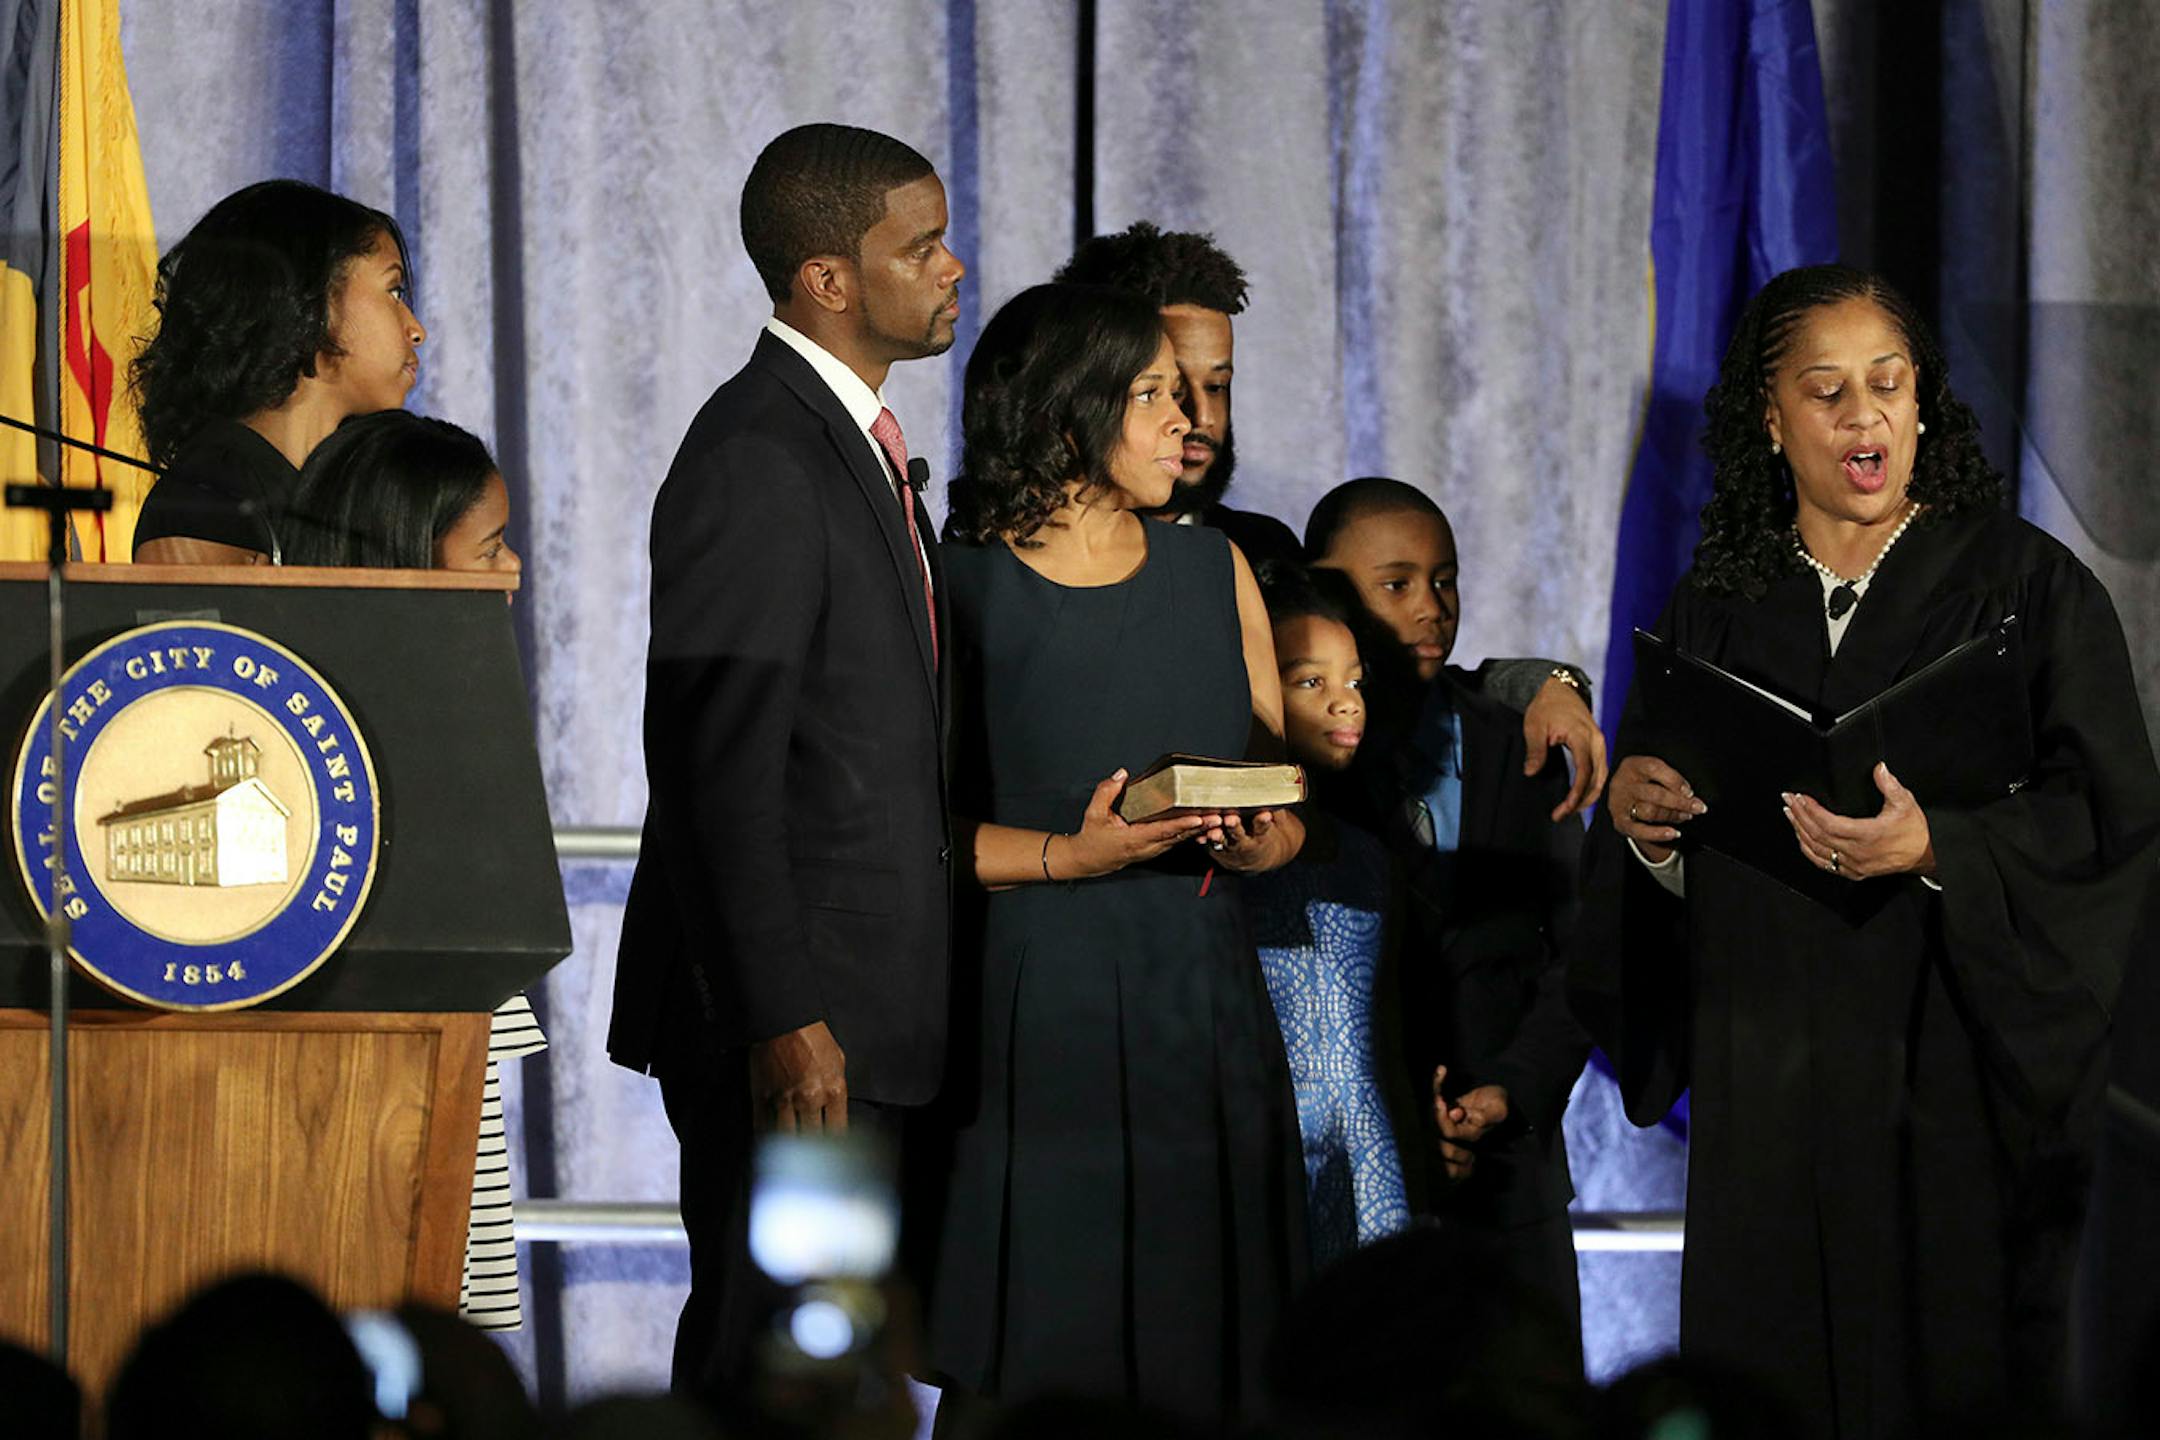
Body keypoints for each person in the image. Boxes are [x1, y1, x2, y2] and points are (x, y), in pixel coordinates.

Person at [1572, 265, 2160, 1437]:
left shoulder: (2025, 593)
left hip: (1945, 1073)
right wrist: (1644, 838)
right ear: (1770, 419)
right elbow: (1647, 853)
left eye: (1886, 384)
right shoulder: (1714, 612)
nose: (1863, 416)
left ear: (1924, 404)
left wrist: (1940, 844)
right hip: (1768, 1079)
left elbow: (2111, 823)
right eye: (1826, 390)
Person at [606, 123, 965, 1395]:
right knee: (786, 1364)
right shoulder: (759, 453)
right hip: (803, 1028)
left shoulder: (847, 441)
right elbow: (718, 766)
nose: (951, 267)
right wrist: (784, 1017)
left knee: (836, 1356)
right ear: (828, 277)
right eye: (919, 247)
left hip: (865, 1016)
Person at [926, 282, 1307, 1424]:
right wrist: (1064, 856)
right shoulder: (958, 587)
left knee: (1210, 1361)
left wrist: (1253, 845)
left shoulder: (1216, 570)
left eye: (1185, 392)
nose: (1187, 419)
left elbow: (1286, 807)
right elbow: (899, 841)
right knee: (1039, 1361)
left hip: (1203, 1004)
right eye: (1152, 393)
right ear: (1062, 410)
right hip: (1035, 1018)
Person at [1057, 223, 1610, 818]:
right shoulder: (1021, 555)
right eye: (1161, 388)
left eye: (1218, 384)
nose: (1199, 415)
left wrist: (1544, 684)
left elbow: (1396, 680)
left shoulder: (1260, 550)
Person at [1307, 478, 1589, 1365]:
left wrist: (1510, 1088)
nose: (1432, 608)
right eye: (1397, 584)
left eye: (1446, 580)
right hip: (1351, 1183)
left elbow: (1581, 956)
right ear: (1330, 589)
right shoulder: (1296, 765)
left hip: (1514, 1179)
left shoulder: (1525, 744)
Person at [280, 410, 541, 1335]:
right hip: (370, 1093)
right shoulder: (329, 719)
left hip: (451, 1062)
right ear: (404, 555)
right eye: (491, 549)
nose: (513, 571)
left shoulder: (457, 695)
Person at [1243, 560, 1412, 1266]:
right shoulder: (1226, 854)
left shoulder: (1369, 854)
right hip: (1260, 1153)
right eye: (1310, 681)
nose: (1346, 703)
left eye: (1354, 681)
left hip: (1365, 1153)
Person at [129, 179, 424, 564]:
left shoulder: (350, 493)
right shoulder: (207, 502)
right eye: (394, 291)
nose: (417, 330)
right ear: (308, 302)